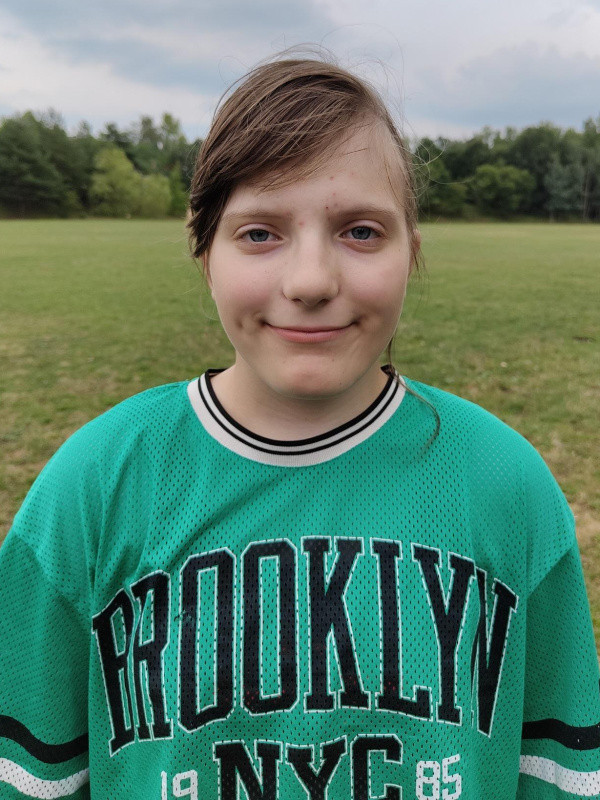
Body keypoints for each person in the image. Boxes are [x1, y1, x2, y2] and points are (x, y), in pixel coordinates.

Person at [1, 54, 599, 800]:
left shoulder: (507, 486)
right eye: (259, 233)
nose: (311, 280)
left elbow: (560, 775)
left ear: (411, 252)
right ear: (204, 253)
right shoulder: (92, 486)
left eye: (360, 231)